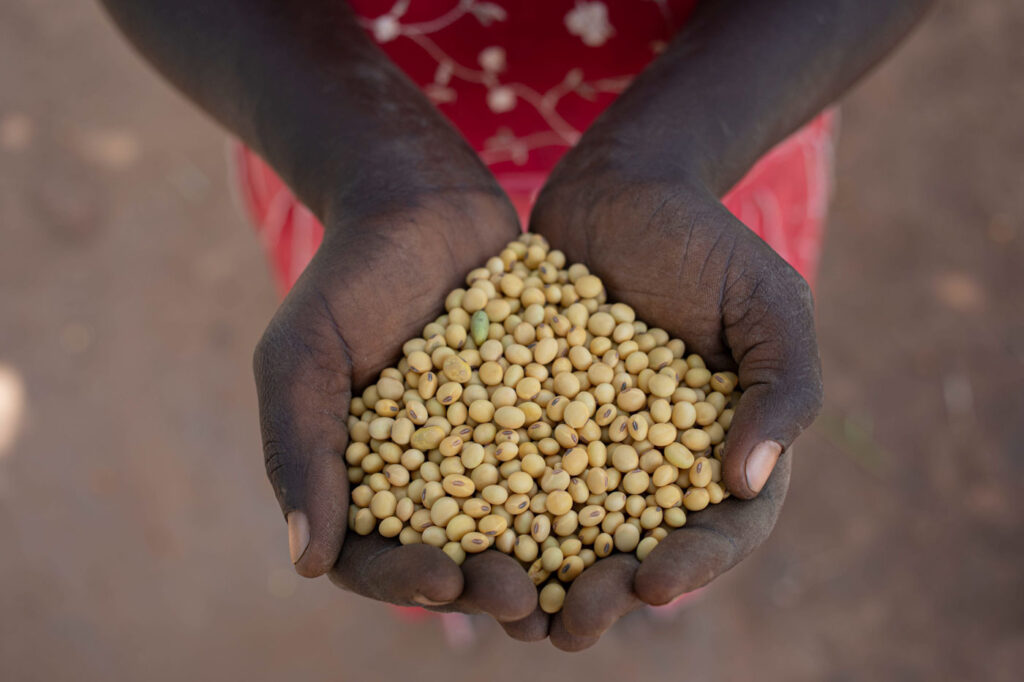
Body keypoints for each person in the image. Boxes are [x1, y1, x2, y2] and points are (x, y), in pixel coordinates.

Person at [100, 0, 932, 651]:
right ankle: (462, 606)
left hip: (714, 119)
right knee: (436, 544)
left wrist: (665, 161)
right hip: (337, 120)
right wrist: (367, 169)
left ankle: (644, 597)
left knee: (705, 466)